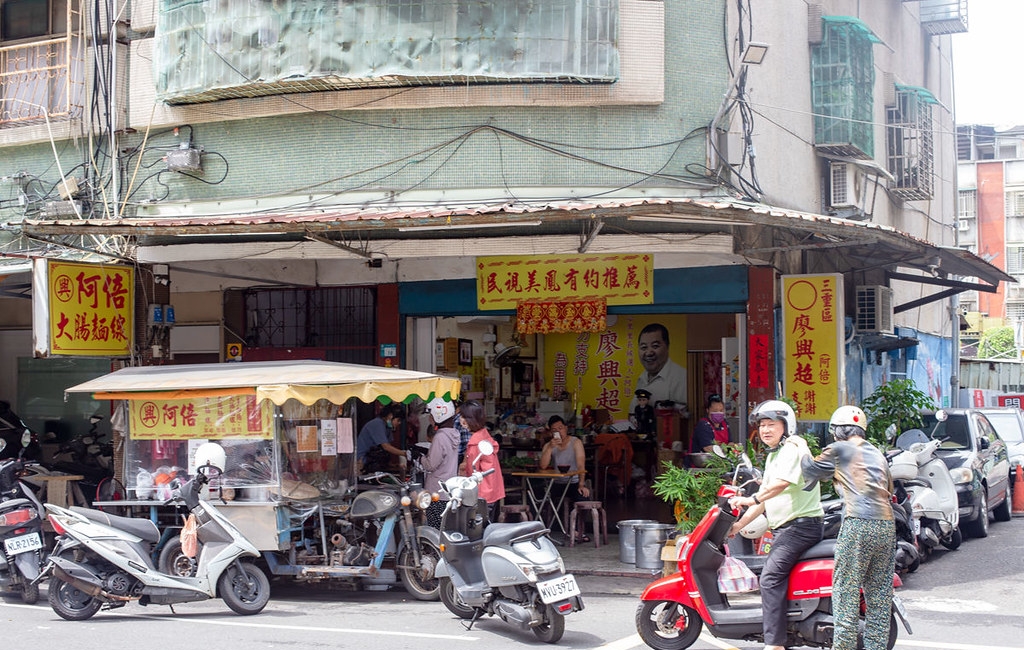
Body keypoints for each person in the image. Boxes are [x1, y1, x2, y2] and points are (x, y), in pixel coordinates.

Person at [790, 406, 896, 650]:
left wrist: (801, 446)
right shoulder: (877, 453)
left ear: (838, 430)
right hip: (886, 525)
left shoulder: (839, 449)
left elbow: (810, 469)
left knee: (846, 592)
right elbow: (888, 489)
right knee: (879, 596)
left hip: (858, 523)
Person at [728, 400, 824, 650]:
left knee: (769, 578)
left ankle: (775, 644)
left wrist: (749, 499)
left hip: (801, 527)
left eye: (771, 424)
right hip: (788, 529)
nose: (765, 430)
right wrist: (737, 526)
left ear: (786, 426)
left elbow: (779, 485)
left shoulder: (791, 448)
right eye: (762, 425)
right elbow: (764, 499)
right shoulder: (775, 455)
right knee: (772, 575)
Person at [539, 415, 591, 541]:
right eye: (554, 430)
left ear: (566, 428)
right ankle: (544, 528)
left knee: (582, 497)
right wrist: (550, 448)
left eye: (560, 428)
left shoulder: (575, 442)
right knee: (541, 497)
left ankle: (578, 530)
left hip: (574, 482)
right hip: (557, 482)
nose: (558, 432)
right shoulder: (549, 445)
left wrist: (582, 484)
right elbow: (543, 466)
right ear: (551, 432)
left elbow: (581, 465)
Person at [458, 400, 505, 522]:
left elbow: (472, 471)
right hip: (492, 490)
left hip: (482, 493)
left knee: (478, 528)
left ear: (470, 419)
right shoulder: (484, 436)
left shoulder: (475, 443)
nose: (460, 419)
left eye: (463, 416)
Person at [629, 322, 687, 412]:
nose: (649, 353)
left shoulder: (682, 378)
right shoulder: (642, 378)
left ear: (667, 346)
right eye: (644, 347)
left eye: (655, 346)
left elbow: (687, 414)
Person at [422, 397, 460, 528]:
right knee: (445, 528)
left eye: (431, 415)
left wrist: (420, 458)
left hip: (436, 491)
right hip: (449, 490)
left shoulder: (439, 437)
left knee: (435, 529)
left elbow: (431, 465)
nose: (429, 419)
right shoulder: (454, 434)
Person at [355, 403, 406, 474]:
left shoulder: (388, 427)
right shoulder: (377, 423)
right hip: (362, 462)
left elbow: (388, 446)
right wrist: (405, 454)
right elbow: (386, 446)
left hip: (373, 461)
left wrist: (390, 463)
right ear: (390, 416)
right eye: (398, 420)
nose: (399, 423)